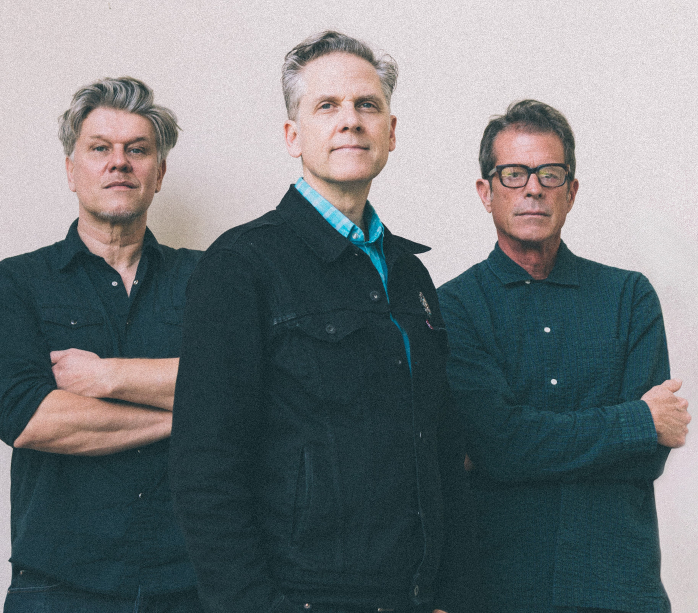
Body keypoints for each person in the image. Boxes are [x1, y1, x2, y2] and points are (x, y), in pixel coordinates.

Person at [169, 31, 476, 613]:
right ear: (293, 136)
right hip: (305, 598)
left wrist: (449, 595)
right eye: (327, 105)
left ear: (391, 131)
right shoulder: (241, 266)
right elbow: (206, 471)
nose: (350, 120)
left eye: (367, 105)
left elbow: (441, 451)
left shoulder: (410, 274)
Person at [437, 99, 691, 613]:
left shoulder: (629, 297)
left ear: (571, 192)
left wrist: (525, 442)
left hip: (619, 589)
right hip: (501, 590)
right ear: (486, 193)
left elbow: (650, 455)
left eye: (549, 174)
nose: (533, 188)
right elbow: (498, 445)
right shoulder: (452, 307)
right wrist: (637, 421)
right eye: (513, 174)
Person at [0, 77, 203, 612]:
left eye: (137, 150)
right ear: (71, 171)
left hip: (190, 584)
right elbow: (28, 419)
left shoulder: (209, 280)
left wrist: (105, 377)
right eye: (100, 149)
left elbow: (251, 383)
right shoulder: (16, 283)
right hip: (59, 584)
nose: (119, 162)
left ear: (159, 173)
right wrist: (193, 412)